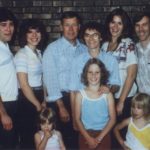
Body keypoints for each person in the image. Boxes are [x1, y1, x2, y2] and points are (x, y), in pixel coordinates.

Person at [42, 11, 87, 149]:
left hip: (80, 99)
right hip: (60, 100)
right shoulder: (52, 49)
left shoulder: (85, 49)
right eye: (67, 25)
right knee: (60, 141)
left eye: (74, 25)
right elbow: (50, 79)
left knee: (78, 137)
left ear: (79, 27)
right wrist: (61, 106)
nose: (71, 29)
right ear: (61, 27)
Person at [69, 21, 120, 128]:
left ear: (101, 38)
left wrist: (110, 89)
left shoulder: (111, 60)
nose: (91, 39)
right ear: (84, 38)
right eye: (87, 35)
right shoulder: (76, 61)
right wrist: (74, 119)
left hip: (104, 115)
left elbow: (116, 84)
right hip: (83, 116)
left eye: (95, 35)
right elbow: (73, 91)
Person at [14, 19, 47, 149]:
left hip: (38, 96)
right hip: (27, 99)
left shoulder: (39, 53)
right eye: (30, 32)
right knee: (28, 137)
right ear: (24, 35)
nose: (34, 35)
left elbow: (42, 79)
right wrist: (37, 104)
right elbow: (23, 84)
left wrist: (44, 99)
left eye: (37, 32)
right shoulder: (22, 54)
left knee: (39, 136)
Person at [75, 58, 116, 150]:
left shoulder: (108, 95)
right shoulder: (80, 95)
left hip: (104, 133)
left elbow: (112, 119)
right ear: (86, 74)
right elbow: (77, 119)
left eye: (97, 72)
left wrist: (99, 138)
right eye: (90, 72)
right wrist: (88, 138)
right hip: (85, 133)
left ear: (102, 74)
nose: (93, 75)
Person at [0, 7, 18, 149]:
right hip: (3, 106)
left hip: (11, 104)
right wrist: (3, 113)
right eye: (3, 25)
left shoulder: (5, 47)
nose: (8, 29)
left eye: (11, 24)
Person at [133, 12, 150, 95]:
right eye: (137, 25)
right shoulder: (134, 49)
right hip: (143, 102)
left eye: (144, 25)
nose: (141, 29)